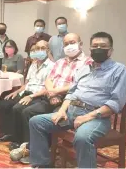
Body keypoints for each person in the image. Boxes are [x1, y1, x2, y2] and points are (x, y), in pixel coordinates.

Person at [28, 32, 126, 168]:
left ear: (110, 50)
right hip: (72, 112)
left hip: (97, 117)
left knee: (82, 137)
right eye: (95, 46)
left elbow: (115, 103)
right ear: (90, 49)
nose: (98, 48)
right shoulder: (84, 69)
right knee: (36, 122)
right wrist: (62, 111)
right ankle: (42, 165)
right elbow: (72, 93)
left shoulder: (119, 70)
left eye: (103, 46)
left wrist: (87, 117)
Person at [9, 33, 93, 164]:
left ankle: (34, 149)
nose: (69, 46)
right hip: (51, 96)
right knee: (28, 112)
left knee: (54, 120)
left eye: (72, 42)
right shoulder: (60, 62)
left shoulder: (88, 63)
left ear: (80, 44)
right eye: (66, 44)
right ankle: (33, 150)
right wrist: (52, 93)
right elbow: (49, 79)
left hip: (70, 100)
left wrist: (55, 92)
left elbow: (78, 85)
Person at [0, 40, 54, 143]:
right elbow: (26, 83)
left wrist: (31, 97)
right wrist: (16, 92)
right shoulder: (33, 64)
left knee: (18, 108)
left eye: (43, 48)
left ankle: (22, 141)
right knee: (4, 103)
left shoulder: (52, 66)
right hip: (26, 91)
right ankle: (9, 133)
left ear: (48, 50)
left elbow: (48, 88)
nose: (39, 51)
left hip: (38, 95)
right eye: (37, 48)